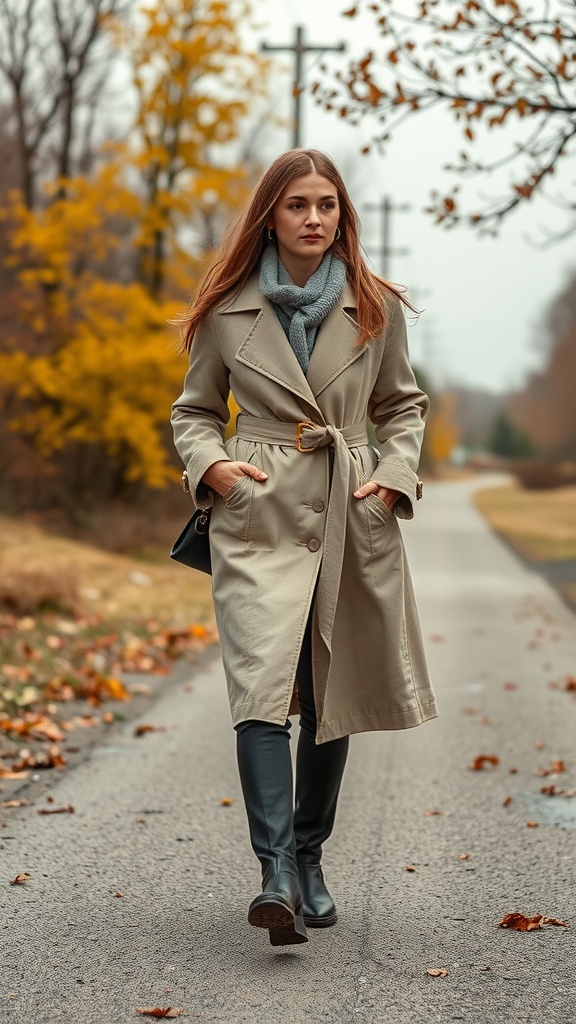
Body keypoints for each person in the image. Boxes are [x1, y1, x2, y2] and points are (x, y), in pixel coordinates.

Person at [171, 148, 438, 948]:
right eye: (297, 205)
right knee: (259, 687)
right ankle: (275, 872)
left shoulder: (373, 305)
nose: (314, 217)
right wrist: (212, 465)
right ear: (271, 215)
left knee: (330, 688)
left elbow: (404, 407)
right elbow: (192, 410)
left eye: (326, 204)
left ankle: (311, 860)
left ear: (340, 215)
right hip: (257, 510)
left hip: (348, 506)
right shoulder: (227, 308)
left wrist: (392, 478)